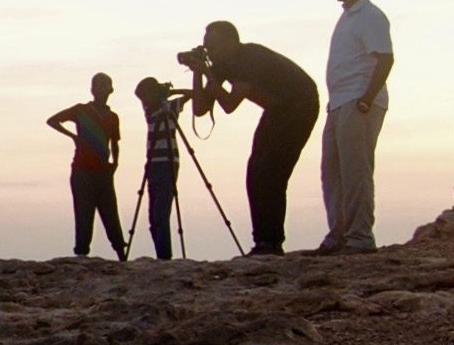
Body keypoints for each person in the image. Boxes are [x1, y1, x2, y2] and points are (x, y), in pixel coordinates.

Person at [186, 21, 318, 255]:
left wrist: (207, 72)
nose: (210, 54)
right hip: (276, 110)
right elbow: (199, 109)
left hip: (301, 105)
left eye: (213, 48)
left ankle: (272, 242)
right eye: (206, 49)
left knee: (271, 171)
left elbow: (228, 104)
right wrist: (197, 74)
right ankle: (263, 242)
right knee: (255, 170)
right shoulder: (219, 65)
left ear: (231, 43)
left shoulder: (250, 57)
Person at [309, 0, 394, 256]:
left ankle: (359, 236)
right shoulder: (348, 17)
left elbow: (385, 58)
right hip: (341, 102)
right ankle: (340, 233)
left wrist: (366, 99)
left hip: (358, 101)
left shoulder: (370, 15)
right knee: (332, 170)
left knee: (356, 171)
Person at [46, 73, 129, 260]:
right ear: (92, 90)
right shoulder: (81, 110)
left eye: (105, 86)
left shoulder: (113, 117)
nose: (102, 90)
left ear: (111, 90)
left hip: (103, 172)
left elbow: (115, 142)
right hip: (82, 171)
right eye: (98, 86)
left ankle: (121, 254)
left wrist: (115, 164)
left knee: (110, 214)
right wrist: (73, 136)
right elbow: (52, 120)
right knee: (84, 214)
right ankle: (82, 254)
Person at [132, 77, 188, 260]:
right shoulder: (149, 110)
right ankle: (161, 255)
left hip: (168, 162)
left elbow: (193, 94)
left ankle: (164, 257)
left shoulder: (170, 108)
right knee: (153, 219)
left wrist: (170, 93)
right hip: (153, 164)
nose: (144, 101)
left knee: (161, 215)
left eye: (146, 96)